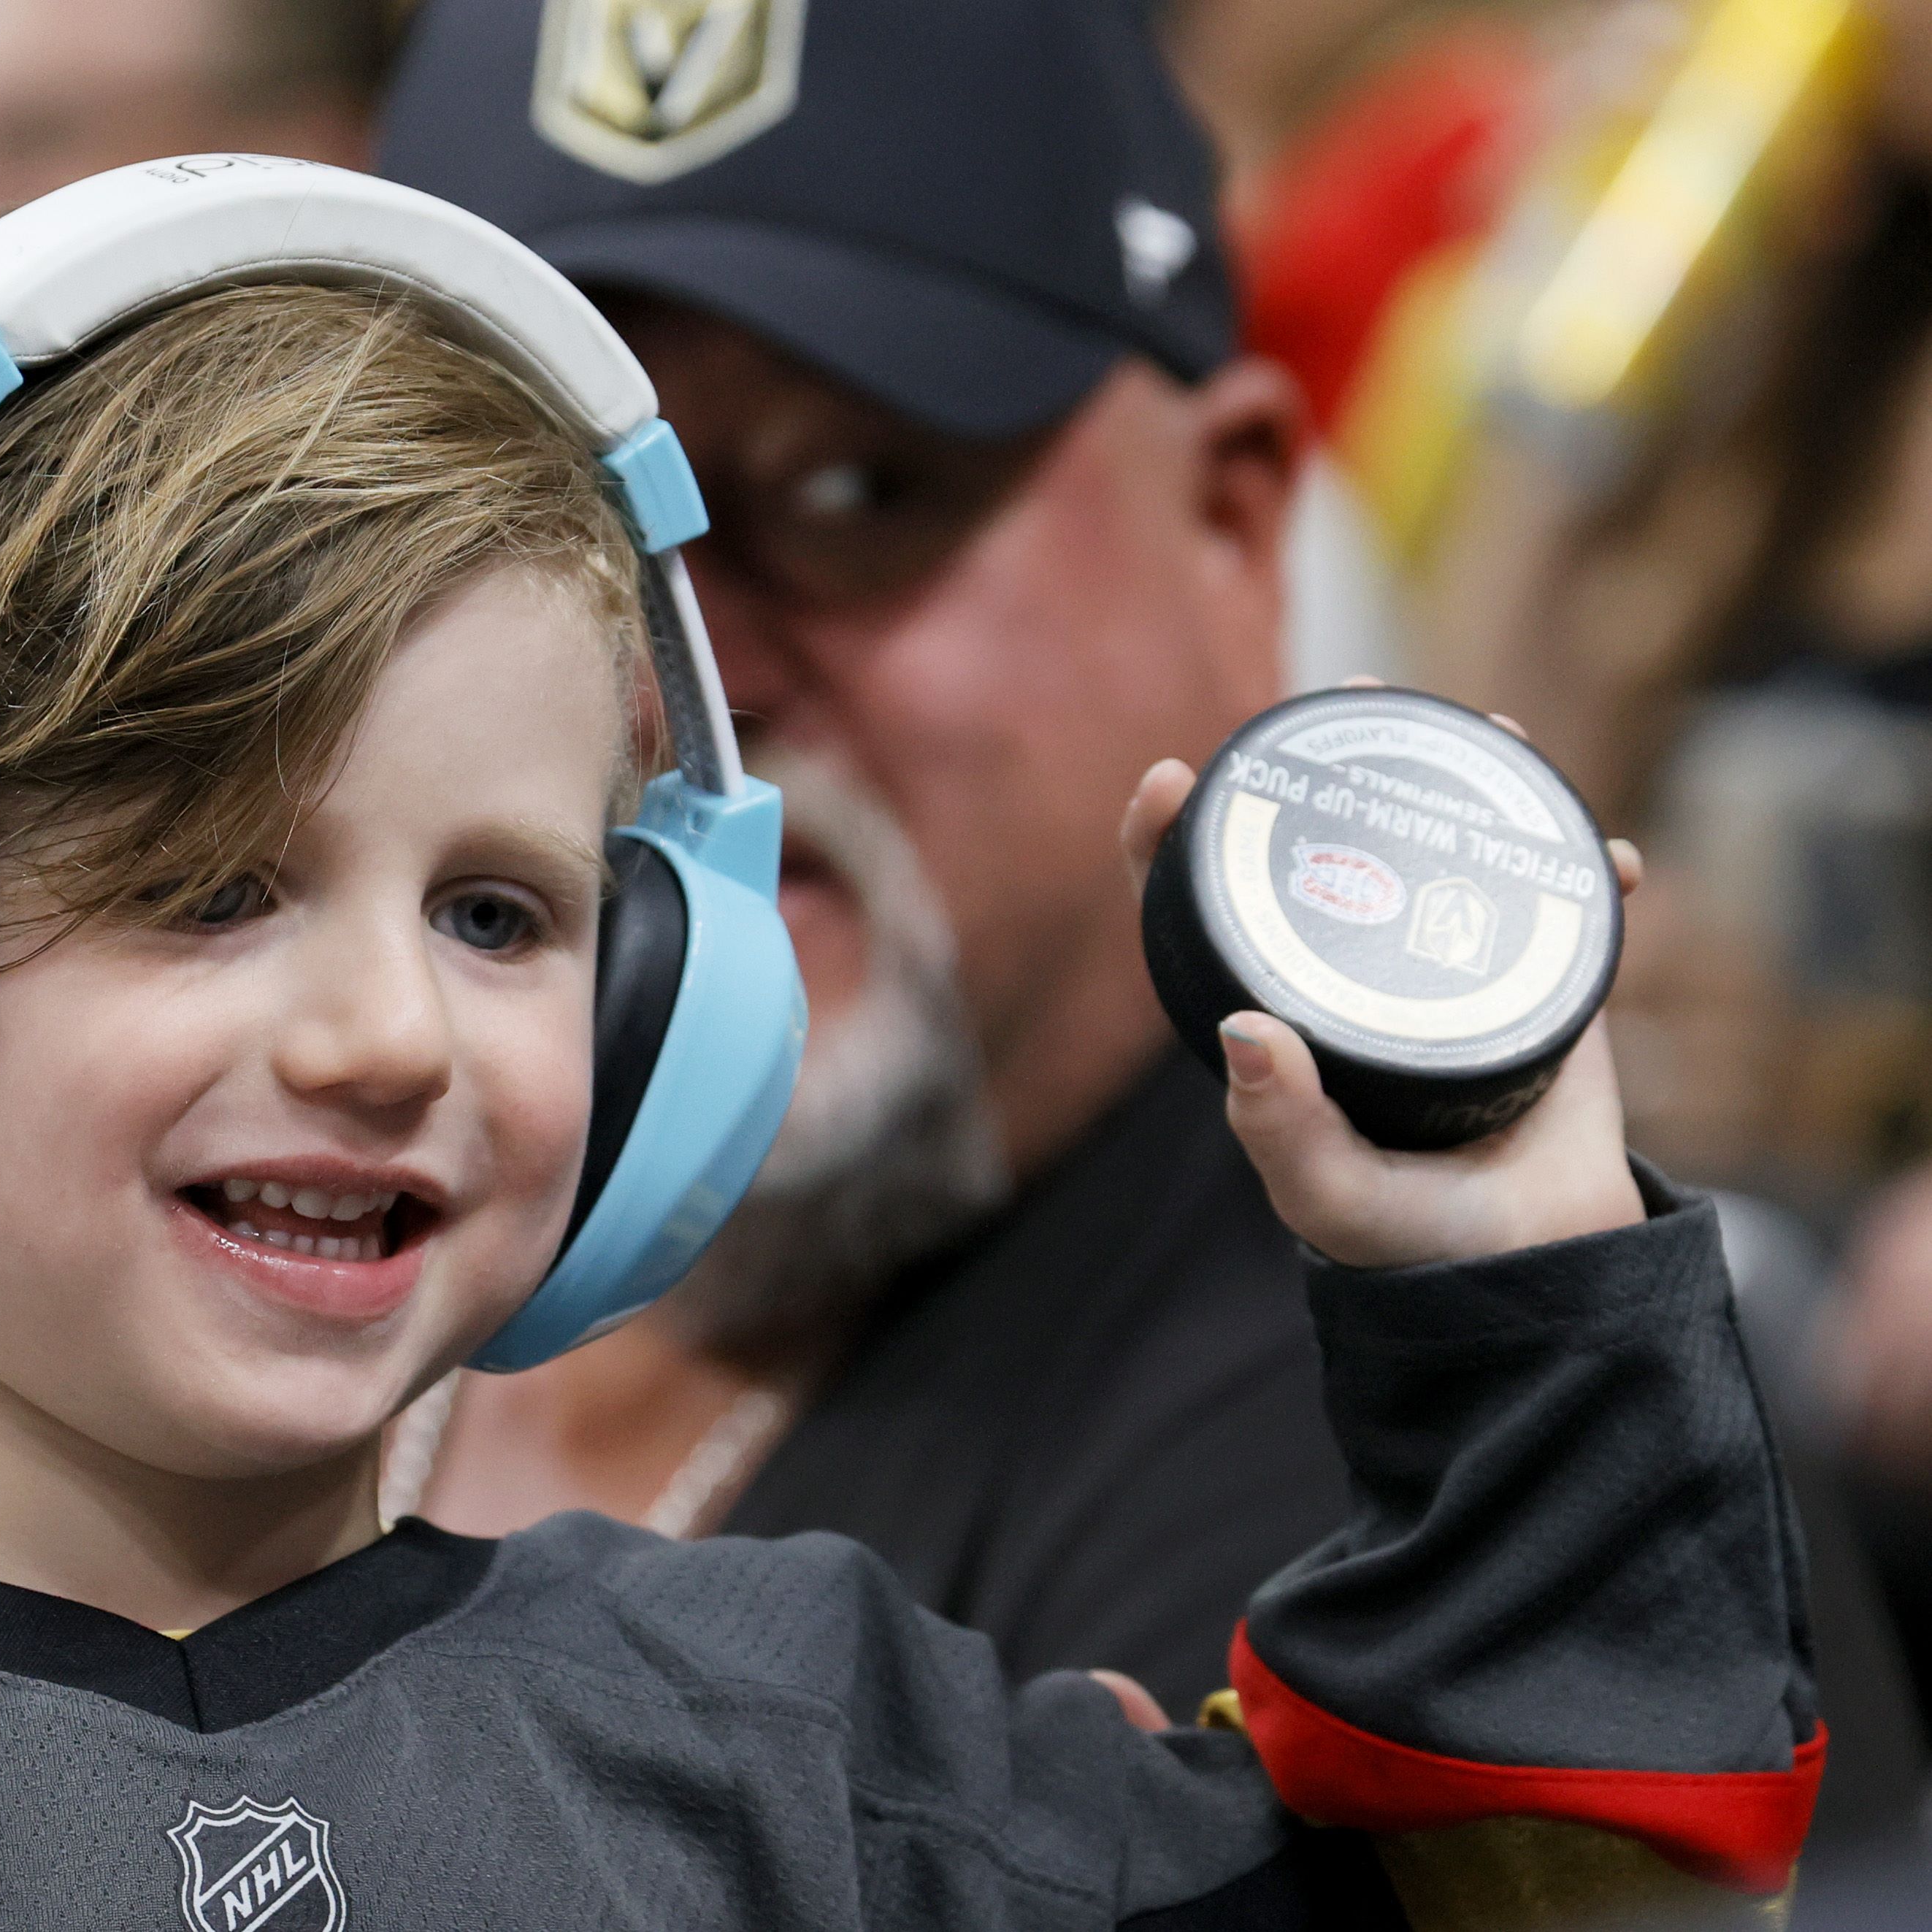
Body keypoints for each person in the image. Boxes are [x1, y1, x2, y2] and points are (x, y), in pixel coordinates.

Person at [0, 157, 1822, 1931]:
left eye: (504, 910)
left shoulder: (813, 1749)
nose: (385, 1031)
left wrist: (1513, 1293)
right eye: (206, 888)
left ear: (668, 1001)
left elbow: (1560, 1880)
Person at [371, 0, 1341, 1711]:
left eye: (852, 492)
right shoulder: (205, 1233)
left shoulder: (1423, 1444)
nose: (689, 690)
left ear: (1232, 530)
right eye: (548, 531)